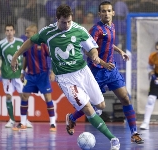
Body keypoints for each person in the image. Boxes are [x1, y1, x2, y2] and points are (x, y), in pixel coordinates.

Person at [11, 4, 120, 150]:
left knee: (101, 105)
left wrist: (94, 56)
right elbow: (30, 41)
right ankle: (113, 139)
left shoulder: (79, 29)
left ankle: (72, 117)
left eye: (69, 21)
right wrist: (15, 56)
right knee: (88, 108)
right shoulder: (47, 32)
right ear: (57, 19)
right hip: (65, 78)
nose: (67, 24)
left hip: (83, 72)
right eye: (64, 22)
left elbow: (92, 48)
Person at [66, 1, 144, 144]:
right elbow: (86, 49)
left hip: (111, 70)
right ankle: (72, 118)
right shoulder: (95, 30)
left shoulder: (112, 26)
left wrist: (120, 51)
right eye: (103, 11)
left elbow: (108, 43)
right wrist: (102, 63)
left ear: (113, 12)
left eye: (109, 11)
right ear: (99, 13)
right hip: (97, 72)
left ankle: (134, 133)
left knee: (125, 98)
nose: (106, 13)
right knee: (90, 104)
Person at [12, 24, 57, 132]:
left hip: (43, 75)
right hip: (30, 76)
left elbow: (54, 58)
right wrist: (22, 72)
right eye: (26, 32)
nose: (26, 34)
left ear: (34, 33)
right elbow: (26, 60)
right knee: (24, 96)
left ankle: (52, 124)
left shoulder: (43, 44)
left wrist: (53, 72)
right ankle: (23, 123)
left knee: (48, 98)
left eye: (28, 32)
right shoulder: (26, 45)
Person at [0, 23, 32, 128]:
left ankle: (25, 120)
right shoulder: (1, 44)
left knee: (23, 96)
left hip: (19, 75)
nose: (9, 32)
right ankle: (11, 120)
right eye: (7, 30)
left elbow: (26, 55)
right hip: (7, 75)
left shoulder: (20, 42)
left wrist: (26, 67)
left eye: (11, 30)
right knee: (8, 96)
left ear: (14, 32)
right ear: (5, 32)